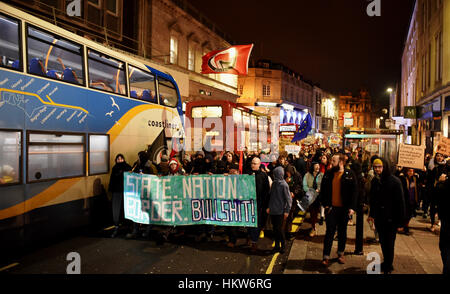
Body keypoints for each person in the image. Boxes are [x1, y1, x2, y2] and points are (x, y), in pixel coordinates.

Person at [367, 158, 406, 274]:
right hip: (380, 218)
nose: (377, 169)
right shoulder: (375, 181)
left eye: (379, 167)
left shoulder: (394, 181)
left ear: (385, 167)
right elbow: (373, 200)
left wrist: (401, 222)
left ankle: (388, 265)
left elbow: (401, 202)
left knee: (389, 243)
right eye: (375, 167)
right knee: (383, 242)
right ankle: (387, 262)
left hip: (391, 218)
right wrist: (372, 215)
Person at [319, 153, 358, 266]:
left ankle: (341, 253)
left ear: (341, 162)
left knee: (342, 233)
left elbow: (354, 192)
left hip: (344, 210)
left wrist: (352, 207)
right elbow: (323, 190)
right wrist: (325, 205)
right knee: (329, 233)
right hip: (331, 209)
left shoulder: (349, 174)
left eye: (333, 162)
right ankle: (326, 256)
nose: (331, 163)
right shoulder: (329, 174)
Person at [247, 157, 271, 252]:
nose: (253, 165)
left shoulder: (263, 175)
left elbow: (266, 190)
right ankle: (249, 236)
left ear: (259, 164)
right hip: (249, 202)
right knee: (249, 222)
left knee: (256, 223)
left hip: (259, 204)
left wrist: (266, 205)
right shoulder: (247, 174)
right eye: (252, 163)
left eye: (255, 163)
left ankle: (254, 242)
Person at [267, 166, 292, 253]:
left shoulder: (284, 185)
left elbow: (289, 199)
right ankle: (277, 246)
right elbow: (271, 197)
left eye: (275, 174)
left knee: (279, 229)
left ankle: (283, 245)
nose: (273, 176)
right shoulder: (274, 183)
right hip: (273, 210)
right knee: (275, 229)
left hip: (280, 211)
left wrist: (287, 211)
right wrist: (269, 207)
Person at [108, 154, 132, 238]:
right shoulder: (114, 168)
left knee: (126, 209)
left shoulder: (128, 167)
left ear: (124, 159)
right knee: (116, 209)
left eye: (121, 159)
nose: (120, 160)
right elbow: (112, 180)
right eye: (118, 159)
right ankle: (116, 226)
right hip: (117, 192)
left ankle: (127, 227)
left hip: (126, 192)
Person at [302, 162, 323, 237]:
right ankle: (313, 227)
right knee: (311, 212)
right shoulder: (307, 175)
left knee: (316, 212)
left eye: (318, 166)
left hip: (318, 197)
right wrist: (311, 191)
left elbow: (323, 184)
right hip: (310, 196)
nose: (318, 167)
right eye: (316, 166)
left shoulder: (321, 175)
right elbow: (304, 186)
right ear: (312, 167)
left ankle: (313, 227)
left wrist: (319, 189)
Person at [428, 152, 448, 232]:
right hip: (434, 189)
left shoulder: (446, 166)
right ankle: (432, 223)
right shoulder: (432, 166)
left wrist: (445, 178)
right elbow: (429, 177)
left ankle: (440, 219)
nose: (439, 157)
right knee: (433, 206)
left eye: (441, 156)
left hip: (442, 190)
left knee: (441, 206)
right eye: (438, 156)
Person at [436, 159, 450, 274]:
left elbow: (436, 197)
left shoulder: (445, 184)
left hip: (447, 220)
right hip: (445, 219)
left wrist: (440, 182)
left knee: (445, 247)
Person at [399, 168, 420, 235]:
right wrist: (399, 170)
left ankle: (405, 226)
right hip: (405, 200)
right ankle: (405, 227)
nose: (410, 172)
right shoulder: (403, 178)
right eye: (409, 171)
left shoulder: (415, 178)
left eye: (412, 171)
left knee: (410, 215)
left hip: (413, 199)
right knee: (405, 214)